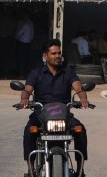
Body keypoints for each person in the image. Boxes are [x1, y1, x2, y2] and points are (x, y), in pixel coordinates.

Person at [17, 41, 91, 171]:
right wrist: (24, 99)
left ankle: (80, 169)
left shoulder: (68, 72)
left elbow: (78, 88)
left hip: (64, 113)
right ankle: (30, 169)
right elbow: (27, 89)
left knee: (80, 129)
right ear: (45, 56)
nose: (57, 56)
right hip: (41, 113)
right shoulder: (36, 73)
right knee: (30, 131)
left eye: (59, 53)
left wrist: (83, 99)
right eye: (53, 53)